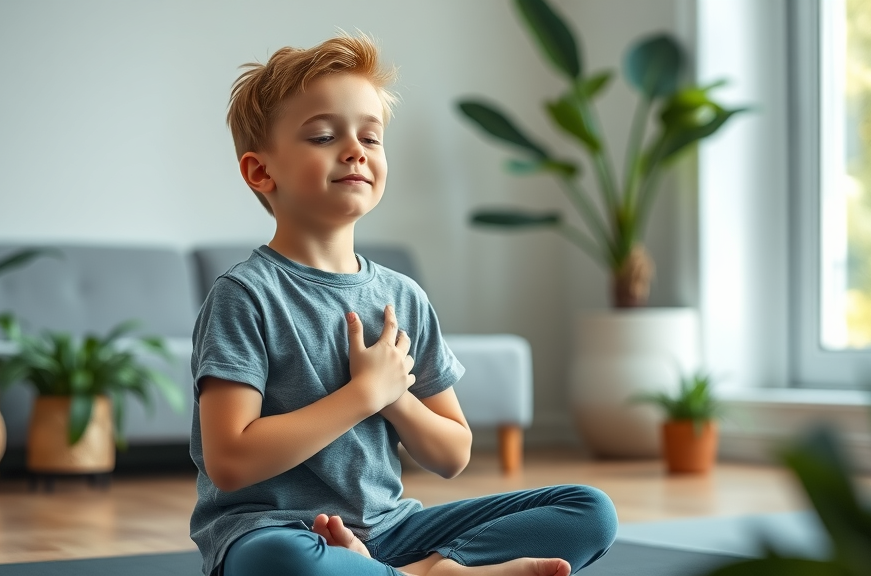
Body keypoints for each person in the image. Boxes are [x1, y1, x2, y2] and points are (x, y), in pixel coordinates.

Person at [189, 33, 618, 576]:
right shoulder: (245, 296)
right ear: (260, 171)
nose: (355, 151)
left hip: (394, 530)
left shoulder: (402, 297)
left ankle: (429, 568)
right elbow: (230, 463)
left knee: (589, 510)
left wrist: (397, 399)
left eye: (370, 137)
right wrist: (366, 392)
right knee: (277, 562)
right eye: (323, 136)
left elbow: (451, 455)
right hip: (275, 533)